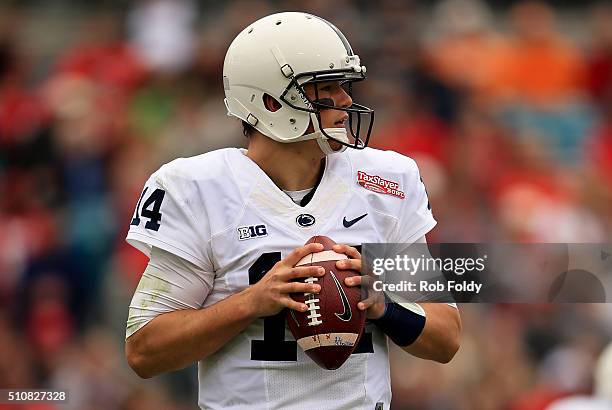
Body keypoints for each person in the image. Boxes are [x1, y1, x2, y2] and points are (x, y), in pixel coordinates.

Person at [124, 12, 461, 410]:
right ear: (270, 101)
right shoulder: (198, 188)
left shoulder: (385, 181)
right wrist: (252, 301)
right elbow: (144, 351)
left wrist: (383, 305)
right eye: (326, 88)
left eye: (344, 85)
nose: (346, 100)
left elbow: (446, 337)